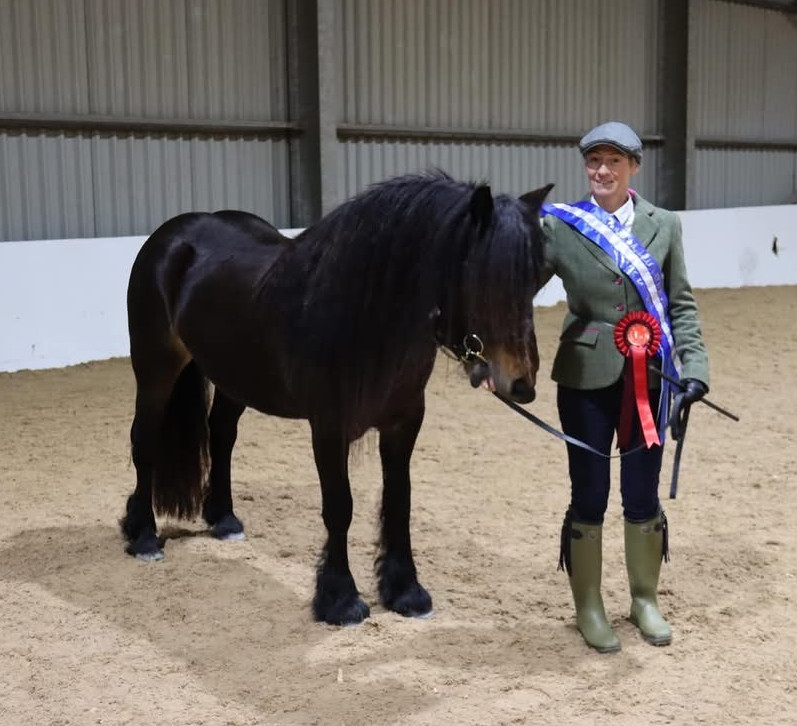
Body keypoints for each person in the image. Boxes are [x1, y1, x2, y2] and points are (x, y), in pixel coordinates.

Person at [538, 121, 710, 653]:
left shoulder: (665, 224)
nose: (602, 171)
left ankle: (643, 600)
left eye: (614, 161)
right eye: (594, 161)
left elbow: (679, 302)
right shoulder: (560, 227)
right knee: (588, 493)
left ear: (634, 167)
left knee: (642, 492)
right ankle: (589, 606)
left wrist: (696, 364)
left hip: (652, 375)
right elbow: (515, 285)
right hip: (585, 378)